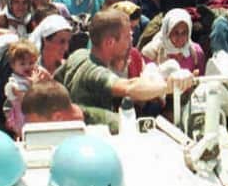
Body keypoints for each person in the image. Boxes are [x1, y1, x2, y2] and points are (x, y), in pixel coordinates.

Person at [54, 9, 185, 130]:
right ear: (109, 42)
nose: (130, 42)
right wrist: (169, 86)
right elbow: (129, 87)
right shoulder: (95, 72)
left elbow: (54, 82)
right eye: (127, 37)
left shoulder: (79, 55)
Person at [141, 9, 205, 75]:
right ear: (167, 32)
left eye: (184, 33)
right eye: (176, 33)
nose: (180, 38)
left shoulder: (196, 53)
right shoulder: (150, 53)